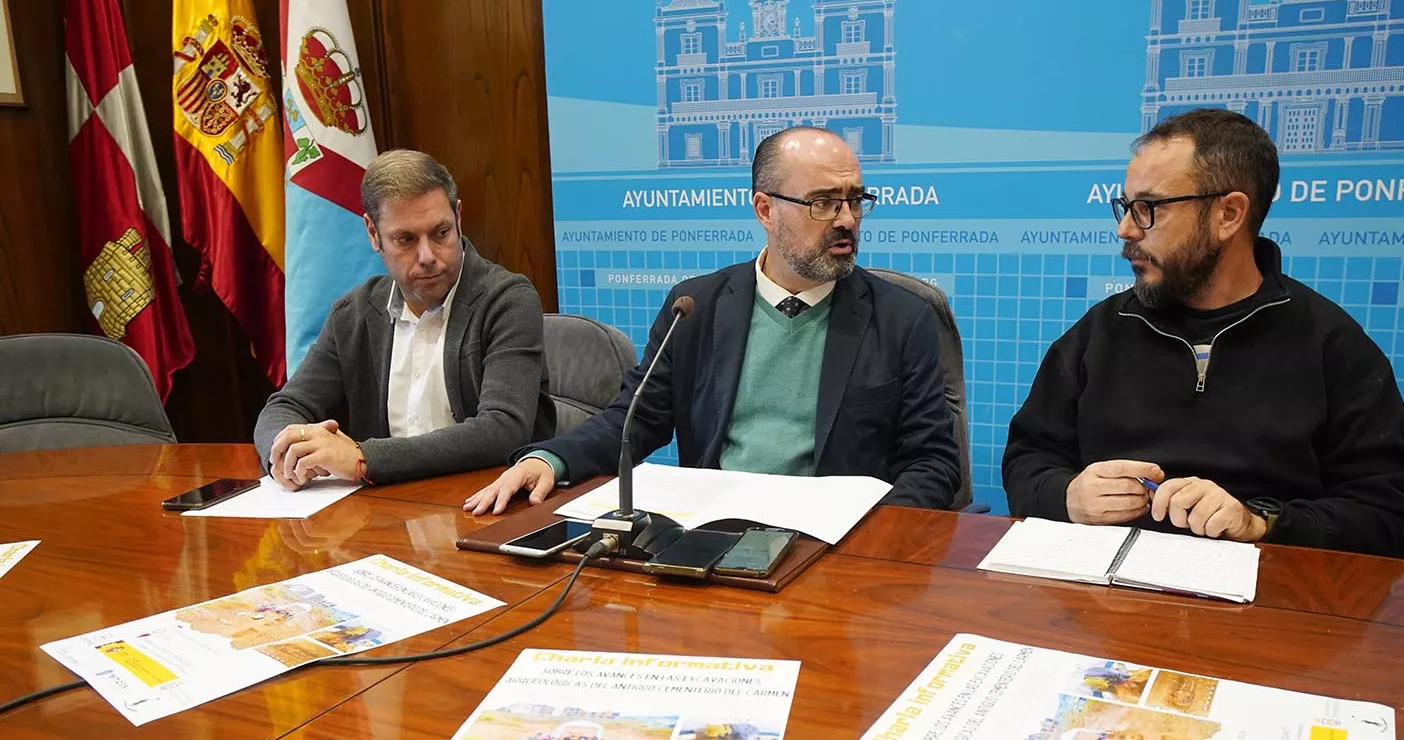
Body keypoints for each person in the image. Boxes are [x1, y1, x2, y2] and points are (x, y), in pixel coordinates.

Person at [464, 127, 960, 515]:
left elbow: (932, 462)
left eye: (855, 200)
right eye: (823, 202)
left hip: (838, 546)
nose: (847, 219)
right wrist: (548, 458)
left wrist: (867, 539)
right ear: (765, 209)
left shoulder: (901, 317)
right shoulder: (696, 307)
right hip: (717, 535)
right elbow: (632, 422)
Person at [1002, 108, 1404, 558]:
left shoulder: (1333, 345)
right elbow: (1027, 459)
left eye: (1149, 208)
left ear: (1228, 214)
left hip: (1262, 609)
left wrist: (1261, 522)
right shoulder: (1099, 332)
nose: (1125, 229)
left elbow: (1387, 518)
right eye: (1126, 207)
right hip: (1098, 601)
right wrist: (1066, 495)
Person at [254, 149, 555, 488]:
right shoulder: (353, 315)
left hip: (487, 504)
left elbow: (503, 429)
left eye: (441, 233)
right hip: (387, 513)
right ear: (372, 233)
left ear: (458, 217)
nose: (427, 256)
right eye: (406, 240)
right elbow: (285, 406)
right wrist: (284, 455)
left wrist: (364, 458)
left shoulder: (507, 300)